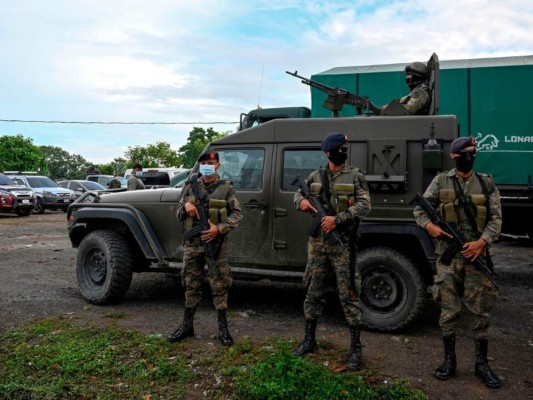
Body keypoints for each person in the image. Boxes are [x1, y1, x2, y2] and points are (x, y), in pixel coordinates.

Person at [413, 136, 502, 388]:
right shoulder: (441, 181)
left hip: (477, 256)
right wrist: (429, 226)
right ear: (454, 156)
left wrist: (481, 242)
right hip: (449, 259)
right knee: (449, 310)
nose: (470, 156)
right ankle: (449, 361)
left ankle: (482, 365)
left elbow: (496, 219)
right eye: (465, 153)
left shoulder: (486, 183)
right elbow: (420, 209)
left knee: (480, 312)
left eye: (473, 152)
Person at [293, 132, 371, 370]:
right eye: (338, 149)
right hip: (318, 245)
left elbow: (365, 205)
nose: (343, 152)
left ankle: (356, 348)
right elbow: (298, 194)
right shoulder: (316, 176)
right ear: (327, 152)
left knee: (348, 294)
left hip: (343, 244)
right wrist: (301, 203)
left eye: (345, 148)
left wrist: (337, 219)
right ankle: (309, 339)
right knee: (314, 290)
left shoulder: (355, 175)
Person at [168, 150, 243, 346]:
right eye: (204, 163)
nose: (207, 165)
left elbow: (237, 214)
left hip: (216, 246)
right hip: (193, 246)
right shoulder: (190, 187)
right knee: (191, 284)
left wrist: (219, 229)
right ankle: (187, 326)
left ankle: (223, 330)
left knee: (219, 285)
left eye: (211, 162)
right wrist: (185, 207)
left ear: (218, 165)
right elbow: (177, 213)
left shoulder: (226, 188)